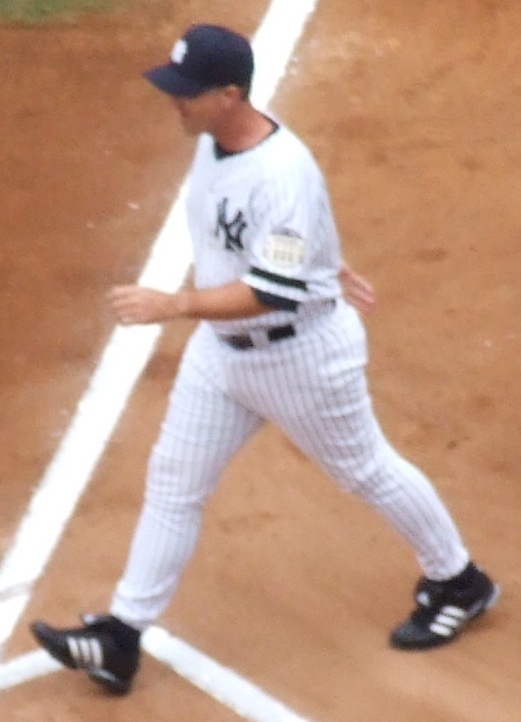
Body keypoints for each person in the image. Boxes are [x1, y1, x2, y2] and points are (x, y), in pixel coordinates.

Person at [30, 23, 499, 695]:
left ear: (229, 94)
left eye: (188, 92)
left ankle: (459, 580)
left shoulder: (280, 171)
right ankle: (121, 637)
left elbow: (273, 291)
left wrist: (176, 304)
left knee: (365, 469)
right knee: (173, 481)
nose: (175, 101)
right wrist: (324, 261)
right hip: (221, 358)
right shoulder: (215, 142)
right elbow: (278, 240)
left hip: (299, 359)